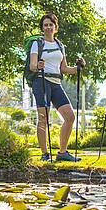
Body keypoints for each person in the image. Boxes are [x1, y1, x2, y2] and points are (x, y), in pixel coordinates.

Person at [30, 12, 85, 162]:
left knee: (70, 117)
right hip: (41, 81)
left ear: (55, 27)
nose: (48, 27)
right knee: (43, 118)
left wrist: (78, 67)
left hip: (56, 83)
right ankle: (45, 154)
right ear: (42, 28)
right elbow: (32, 65)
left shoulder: (60, 45)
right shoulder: (38, 44)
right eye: (45, 25)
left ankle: (62, 152)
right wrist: (38, 66)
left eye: (50, 25)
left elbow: (65, 69)